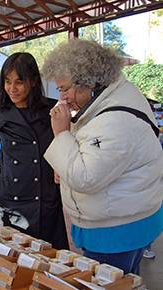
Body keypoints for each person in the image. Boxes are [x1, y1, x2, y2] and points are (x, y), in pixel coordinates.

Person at [42, 39, 163, 274]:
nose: (63, 97)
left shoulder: (115, 120)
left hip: (116, 230)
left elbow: (85, 177)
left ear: (89, 83)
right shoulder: (115, 98)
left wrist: (61, 134)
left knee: (109, 280)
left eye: (64, 88)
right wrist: (65, 163)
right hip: (126, 218)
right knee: (127, 279)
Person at [0, 52, 69, 250]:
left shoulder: (51, 110)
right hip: (11, 202)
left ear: (34, 81)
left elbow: (66, 146)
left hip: (46, 200)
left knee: (49, 260)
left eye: (19, 82)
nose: (12, 89)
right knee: (14, 259)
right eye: (7, 81)